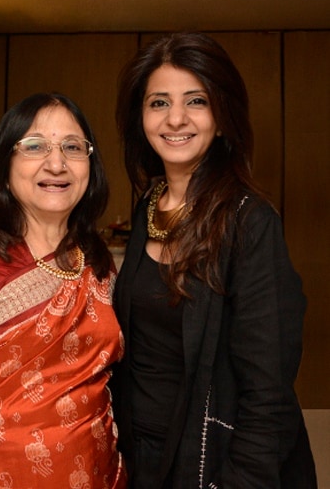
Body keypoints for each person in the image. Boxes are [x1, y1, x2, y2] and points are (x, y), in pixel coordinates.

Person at [111, 32, 316, 487]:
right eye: (159, 102)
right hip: (142, 456)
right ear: (140, 118)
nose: (176, 118)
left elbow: (268, 394)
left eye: (196, 101)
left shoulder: (250, 222)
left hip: (214, 460)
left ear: (222, 118)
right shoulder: (150, 204)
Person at [0, 93, 126, 488]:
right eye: (34, 146)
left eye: (72, 147)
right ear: (5, 164)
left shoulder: (96, 259)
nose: (56, 163)